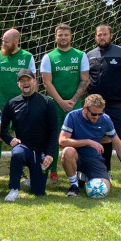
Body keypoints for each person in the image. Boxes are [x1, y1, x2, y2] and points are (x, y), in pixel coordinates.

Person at [87, 24, 121, 186]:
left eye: (104, 34)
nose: (102, 37)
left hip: (117, 104)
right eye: (99, 35)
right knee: (103, 139)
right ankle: (105, 172)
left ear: (111, 36)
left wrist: (119, 90)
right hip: (96, 106)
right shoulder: (89, 55)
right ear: (95, 37)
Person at [59, 93, 121, 197]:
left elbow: (117, 143)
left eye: (100, 114)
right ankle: (74, 186)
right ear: (85, 108)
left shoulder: (105, 119)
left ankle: (84, 177)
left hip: (94, 159)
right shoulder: (72, 116)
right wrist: (88, 141)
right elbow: (62, 141)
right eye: (94, 114)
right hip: (76, 157)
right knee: (67, 151)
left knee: (105, 189)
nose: (97, 117)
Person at [0, 70, 58, 201]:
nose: (25, 83)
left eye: (28, 80)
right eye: (22, 81)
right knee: (17, 153)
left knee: (39, 192)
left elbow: (54, 131)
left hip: (41, 153)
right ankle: (14, 189)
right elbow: (1, 128)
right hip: (23, 148)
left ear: (34, 81)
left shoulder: (47, 102)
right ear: (18, 84)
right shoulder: (12, 103)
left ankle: (33, 178)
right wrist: (10, 140)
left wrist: (50, 154)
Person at [40, 22, 91, 171]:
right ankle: (53, 171)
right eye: (60, 35)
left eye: (66, 35)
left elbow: (85, 79)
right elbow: (46, 82)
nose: (63, 37)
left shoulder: (80, 55)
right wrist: (61, 102)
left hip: (75, 105)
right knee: (53, 138)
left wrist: (73, 100)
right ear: (55, 37)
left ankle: (81, 171)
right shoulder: (48, 57)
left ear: (71, 36)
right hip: (54, 105)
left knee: (78, 138)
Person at [0, 28, 35, 113]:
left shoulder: (28, 56)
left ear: (16, 42)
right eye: (3, 41)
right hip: (1, 103)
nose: (3, 44)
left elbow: (34, 81)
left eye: (6, 42)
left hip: (23, 103)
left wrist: (33, 101)